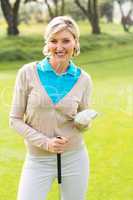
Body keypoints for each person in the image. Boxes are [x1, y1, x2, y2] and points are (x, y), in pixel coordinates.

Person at [9, 16, 93, 200]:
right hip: (38, 160)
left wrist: (84, 122)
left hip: (74, 158)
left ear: (75, 43)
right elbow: (14, 120)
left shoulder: (84, 79)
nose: (59, 47)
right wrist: (46, 142)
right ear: (47, 43)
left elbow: (83, 121)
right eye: (54, 41)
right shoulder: (28, 73)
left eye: (66, 40)